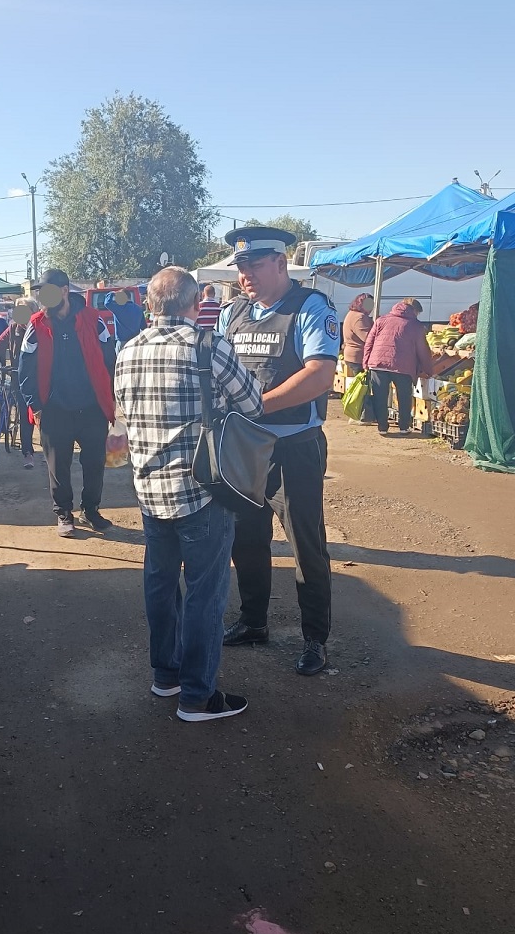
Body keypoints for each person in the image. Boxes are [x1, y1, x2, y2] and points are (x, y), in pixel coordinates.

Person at [115, 266, 263, 722]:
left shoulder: (127, 350)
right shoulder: (208, 345)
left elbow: (126, 414)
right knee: (205, 592)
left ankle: (166, 676)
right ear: (196, 305)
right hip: (202, 490)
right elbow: (253, 404)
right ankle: (198, 696)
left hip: (148, 489)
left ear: (149, 305)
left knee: (160, 585)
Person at [218, 226, 339, 677]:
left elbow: (319, 376)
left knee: (306, 545)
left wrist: (256, 405)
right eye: (241, 266)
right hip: (245, 448)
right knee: (247, 539)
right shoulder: (232, 313)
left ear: (281, 262)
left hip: (293, 448)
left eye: (254, 264)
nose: (245, 274)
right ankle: (254, 622)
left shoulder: (310, 307)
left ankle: (315, 639)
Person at [19, 268, 116, 536]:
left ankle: (90, 510)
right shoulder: (37, 324)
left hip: (92, 407)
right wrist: (35, 406)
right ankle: (63, 512)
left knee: (94, 463)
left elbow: (110, 359)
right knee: (57, 464)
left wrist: (111, 397)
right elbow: (25, 367)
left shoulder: (93, 319)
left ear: (64, 291)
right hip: (54, 408)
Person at [362, 297, 435, 436]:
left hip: (378, 363)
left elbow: (369, 342)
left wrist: (366, 362)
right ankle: (404, 427)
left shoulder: (381, 320)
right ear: (414, 310)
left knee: (380, 396)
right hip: (403, 366)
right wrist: (428, 370)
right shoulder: (416, 325)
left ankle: (382, 427)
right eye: (417, 313)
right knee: (404, 397)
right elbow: (423, 350)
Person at [0, 300, 37, 468]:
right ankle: (27, 450)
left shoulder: (39, 328)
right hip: (17, 375)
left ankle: (37, 450)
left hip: (36, 376)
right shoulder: (13, 328)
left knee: (33, 414)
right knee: (23, 411)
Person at [341, 293, 374, 376]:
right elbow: (368, 338)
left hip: (351, 356)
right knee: (362, 383)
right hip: (357, 358)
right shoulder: (360, 317)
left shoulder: (351, 313)